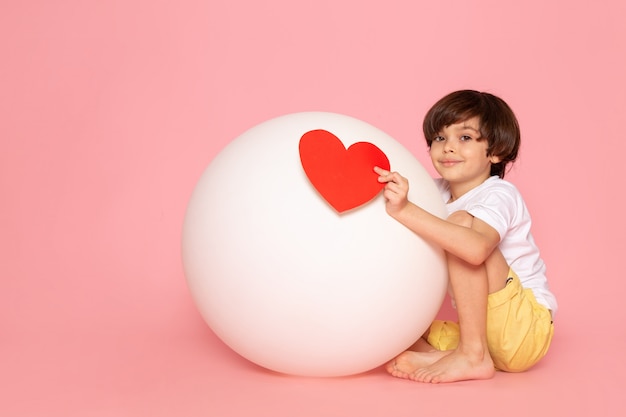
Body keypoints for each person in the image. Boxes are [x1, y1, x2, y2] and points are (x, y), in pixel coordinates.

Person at [374, 90, 557, 383]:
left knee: (460, 226)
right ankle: (459, 354)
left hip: (524, 329)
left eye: (465, 138)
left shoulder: (499, 193)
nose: (448, 147)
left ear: (495, 151)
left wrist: (406, 211)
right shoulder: (434, 193)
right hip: (482, 332)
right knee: (395, 328)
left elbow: (475, 250)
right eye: (439, 138)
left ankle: (472, 355)